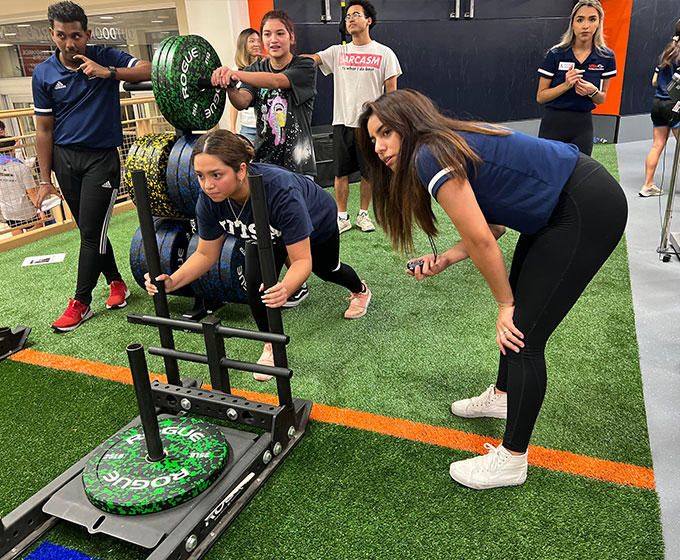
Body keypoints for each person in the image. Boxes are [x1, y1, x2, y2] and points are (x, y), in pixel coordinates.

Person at [357, 89, 627, 489]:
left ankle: (512, 460)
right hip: (559, 208)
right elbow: (496, 225)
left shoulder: (429, 153)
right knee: (519, 326)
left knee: (523, 335)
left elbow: (484, 240)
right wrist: (445, 259)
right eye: (373, 139)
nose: (379, 147)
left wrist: (505, 303)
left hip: (584, 205)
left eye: (385, 133)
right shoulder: (442, 143)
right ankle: (503, 396)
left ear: (409, 123)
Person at [144, 130, 371, 381]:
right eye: (200, 176)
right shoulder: (209, 199)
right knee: (256, 287)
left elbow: (302, 260)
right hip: (264, 235)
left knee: (326, 269)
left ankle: (359, 290)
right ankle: (270, 343)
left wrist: (285, 287)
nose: (207, 184)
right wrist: (173, 281)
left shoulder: (280, 191)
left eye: (216, 175)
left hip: (315, 219)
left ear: (241, 170)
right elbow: (206, 254)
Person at [32, 1, 151, 332]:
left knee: (89, 233)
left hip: (102, 159)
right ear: (52, 34)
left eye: (76, 36)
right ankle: (116, 282)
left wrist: (107, 73)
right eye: (61, 36)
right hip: (64, 160)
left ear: (87, 33)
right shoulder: (43, 73)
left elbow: (148, 69)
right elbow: (44, 130)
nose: (69, 44)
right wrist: (45, 179)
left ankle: (80, 302)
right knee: (90, 229)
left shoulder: (106, 55)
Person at [303, 0, 401, 234]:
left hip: (370, 127)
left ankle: (363, 215)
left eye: (356, 15)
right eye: (347, 16)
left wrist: (388, 125)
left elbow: (393, 94)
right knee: (340, 173)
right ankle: (342, 217)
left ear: (368, 20)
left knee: (369, 174)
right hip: (341, 122)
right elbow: (312, 60)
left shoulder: (384, 53)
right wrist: (285, 59)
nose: (350, 19)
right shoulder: (338, 52)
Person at [212, 10, 317, 178]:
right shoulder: (255, 69)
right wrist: (230, 86)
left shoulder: (306, 66)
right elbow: (242, 102)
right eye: (267, 34)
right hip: (264, 162)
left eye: (280, 33)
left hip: (299, 163)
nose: (273, 39)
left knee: (297, 204)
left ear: (291, 38)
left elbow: (276, 81)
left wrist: (236, 74)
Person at [536, 0, 616, 156]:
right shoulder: (556, 54)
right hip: (553, 123)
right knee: (549, 174)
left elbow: (601, 99)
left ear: (599, 22)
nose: (585, 26)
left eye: (592, 19)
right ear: (572, 24)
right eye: (580, 20)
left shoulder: (606, 57)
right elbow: (541, 97)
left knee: (581, 176)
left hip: (582, 125)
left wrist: (593, 92)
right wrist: (565, 85)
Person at [640, 20, 680, 198]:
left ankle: (647, 186)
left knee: (657, 145)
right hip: (674, 105)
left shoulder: (668, 51)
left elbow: (654, 81)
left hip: (658, 104)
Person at [229, 28, 264, 144]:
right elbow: (234, 103)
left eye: (258, 41)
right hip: (247, 128)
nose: (256, 44)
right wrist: (232, 128)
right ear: (243, 44)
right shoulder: (236, 72)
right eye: (252, 41)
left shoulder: (266, 67)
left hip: (266, 126)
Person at [0, 149, 42, 236]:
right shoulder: (21, 167)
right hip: (26, 211)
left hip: (8, 211)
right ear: (12, 150)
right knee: (36, 240)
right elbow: (31, 192)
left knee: (20, 244)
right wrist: (40, 209)